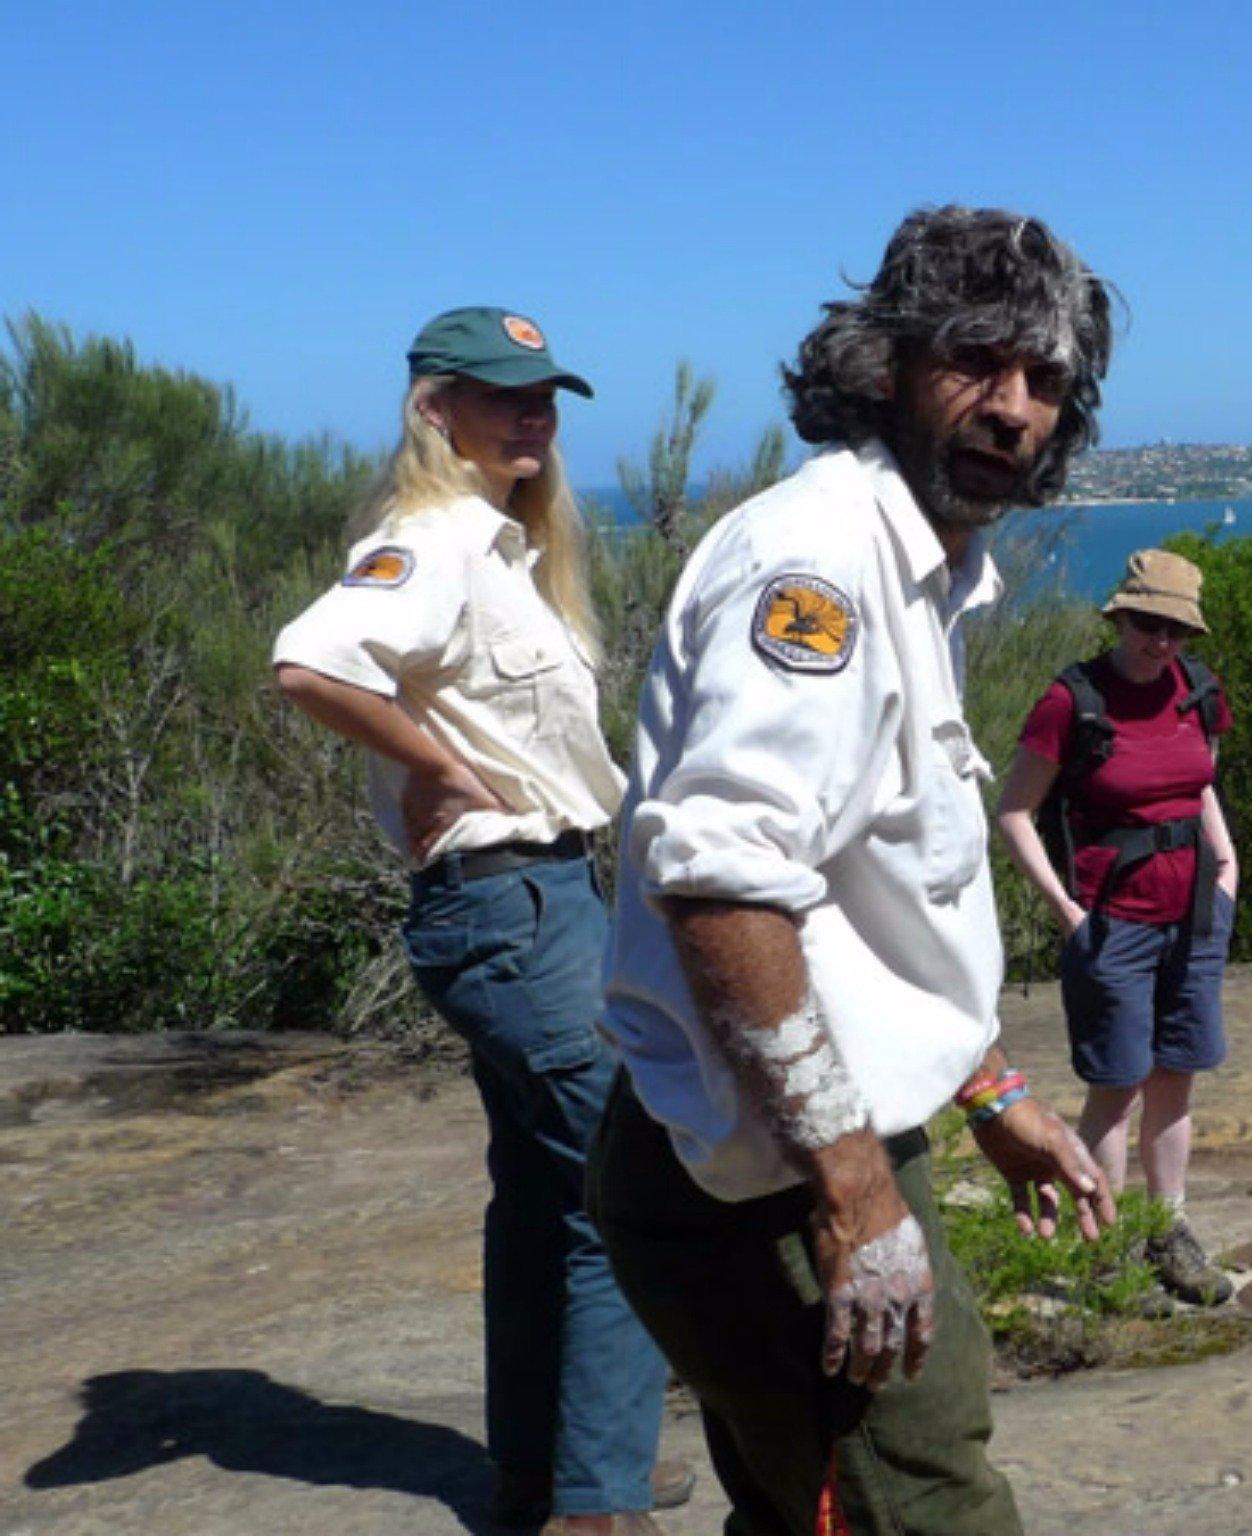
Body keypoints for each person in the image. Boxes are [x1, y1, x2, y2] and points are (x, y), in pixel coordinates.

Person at [591, 207, 1119, 1536]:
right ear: (884, 365)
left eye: (1044, 381)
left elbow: (879, 898)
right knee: (919, 1505)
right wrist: (854, 1193)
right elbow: (719, 875)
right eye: (976, 361)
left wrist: (986, 1089)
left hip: (804, 1149)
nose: (1011, 409)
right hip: (772, 1183)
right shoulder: (816, 563)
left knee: (798, 1510)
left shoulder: (926, 568)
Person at [270, 308, 684, 1535]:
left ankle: (540, 1472)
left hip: (544, 899)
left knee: (543, 1200)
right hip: (508, 901)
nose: (533, 414)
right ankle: (599, 1506)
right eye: (502, 394)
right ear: (432, 409)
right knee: (623, 1191)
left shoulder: (509, 549)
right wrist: (437, 771)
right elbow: (311, 661)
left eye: (545, 394)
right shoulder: (437, 537)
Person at [993, 548, 1240, 1307]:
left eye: (1173, 629)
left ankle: (1168, 1233)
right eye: (1144, 623)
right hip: (1113, 923)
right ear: (1118, 616)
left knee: (1177, 1076)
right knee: (1117, 1085)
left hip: (1194, 914)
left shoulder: (1198, 693)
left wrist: (1226, 868)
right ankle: (1111, 1252)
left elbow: (1199, 782)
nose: (1157, 641)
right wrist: (1069, 914)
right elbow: (1014, 812)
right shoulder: (1074, 702)